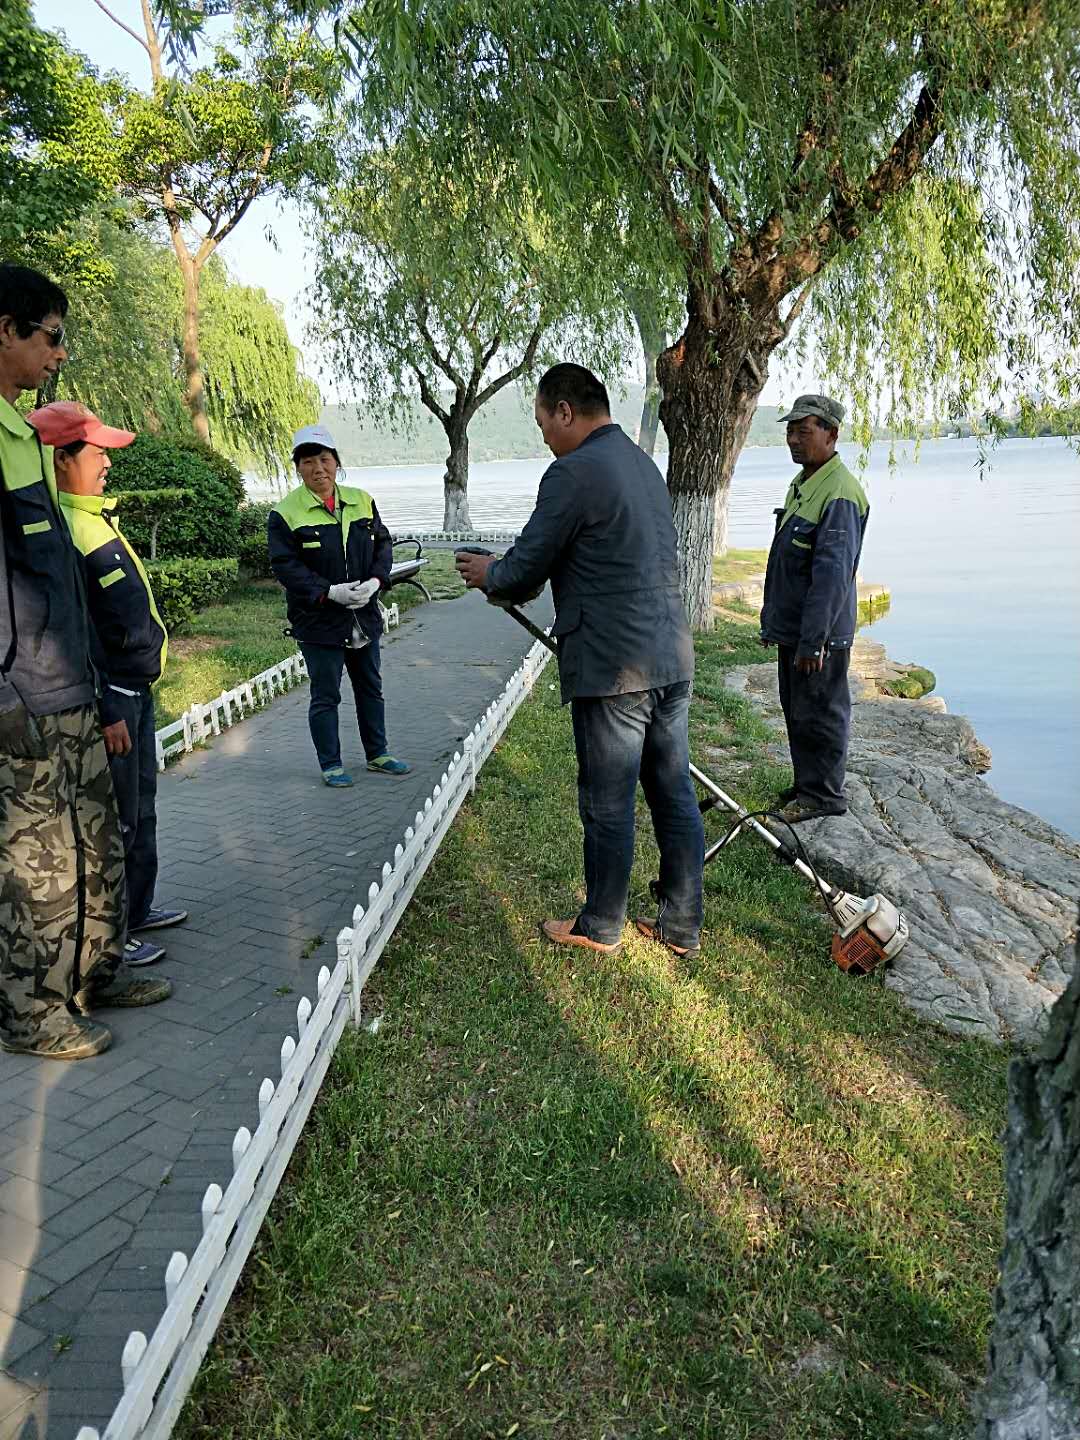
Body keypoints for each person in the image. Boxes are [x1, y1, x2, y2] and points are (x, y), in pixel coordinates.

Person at [456, 363, 704, 957]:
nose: (544, 436)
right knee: (671, 790)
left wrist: (489, 571)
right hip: (671, 656)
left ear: (565, 411)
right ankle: (681, 925)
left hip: (616, 667)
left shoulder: (572, 471)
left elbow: (525, 569)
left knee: (607, 799)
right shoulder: (642, 464)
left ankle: (600, 924)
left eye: (543, 421)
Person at [0, 264, 171, 1060]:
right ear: (6, 329)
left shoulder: (22, 435)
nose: (59, 353)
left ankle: (96, 973)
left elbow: (59, 585)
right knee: (37, 866)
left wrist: (98, 690)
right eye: (51, 336)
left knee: (94, 846)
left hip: (70, 683)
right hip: (22, 696)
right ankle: (31, 1015)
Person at [32, 401, 189, 967]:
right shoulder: (64, 531)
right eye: (97, 452)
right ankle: (113, 933)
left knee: (141, 807)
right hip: (115, 697)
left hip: (137, 690)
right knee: (113, 818)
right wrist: (105, 707)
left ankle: (138, 908)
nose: (107, 463)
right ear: (60, 458)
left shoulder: (94, 517)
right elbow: (76, 634)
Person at [268, 424, 410, 786]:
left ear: (336, 462)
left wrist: (376, 581)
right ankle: (331, 764)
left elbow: (383, 545)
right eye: (308, 462)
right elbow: (286, 567)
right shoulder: (285, 513)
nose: (318, 469)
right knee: (326, 695)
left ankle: (378, 754)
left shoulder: (362, 500)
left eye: (324, 459)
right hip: (318, 622)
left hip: (363, 615)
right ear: (298, 467)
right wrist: (329, 592)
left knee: (370, 687)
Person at [759, 394, 869, 823]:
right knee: (799, 710)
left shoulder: (840, 492)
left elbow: (831, 577)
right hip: (796, 628)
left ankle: (824, 796)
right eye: (790, 431)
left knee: (821, 713)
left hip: (819, 634)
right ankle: (808, 784)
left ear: (831, 434)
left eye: (803, 431)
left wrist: (813, 641)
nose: (793, 440)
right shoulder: (804, 482)